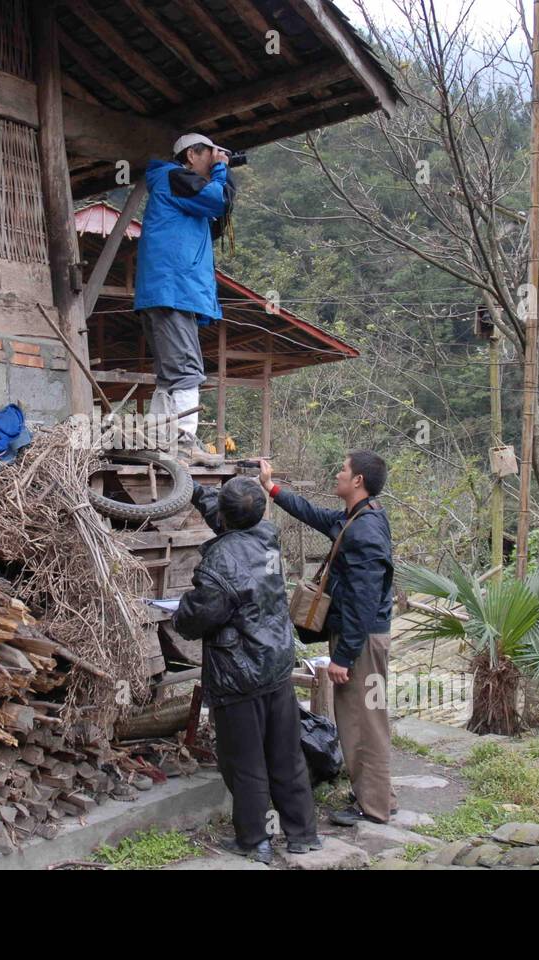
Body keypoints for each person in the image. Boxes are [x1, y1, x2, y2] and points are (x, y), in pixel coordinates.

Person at [173, 476, 320, 862]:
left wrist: (183, 609)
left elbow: (196, 618)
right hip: (275, 664)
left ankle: (255, 839)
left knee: (245, 761)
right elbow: (229, 516)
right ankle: (303, 834)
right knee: (286, 754)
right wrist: (189, 484)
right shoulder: (266, 535)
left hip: (239, 675)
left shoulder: (219, 562)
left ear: (225, 516)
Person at [259, 451, 396, 826]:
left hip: (362, 641)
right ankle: (380, 796)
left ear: (358, 482)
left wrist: (345, 657)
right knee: (368, 719)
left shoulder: (365, 532)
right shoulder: (357, 518)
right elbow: (313, 514)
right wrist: (272, 488)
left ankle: (375, 809)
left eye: (344, 469)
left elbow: (364, 601)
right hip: (361, 638)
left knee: (362, 722)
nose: (338, 473)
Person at [133, 133, 236, 466]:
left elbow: (217, 217)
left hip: (165, 292)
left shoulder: (176, 186)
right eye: (210, 154)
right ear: (192, 154)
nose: (215, 160)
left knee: (170, 375)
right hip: (174, 291)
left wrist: (220, 173)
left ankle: (156, 441)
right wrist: (221, 172)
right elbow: (218, 200)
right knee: (188, 371)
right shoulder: (174, 176)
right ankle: (183, 444)